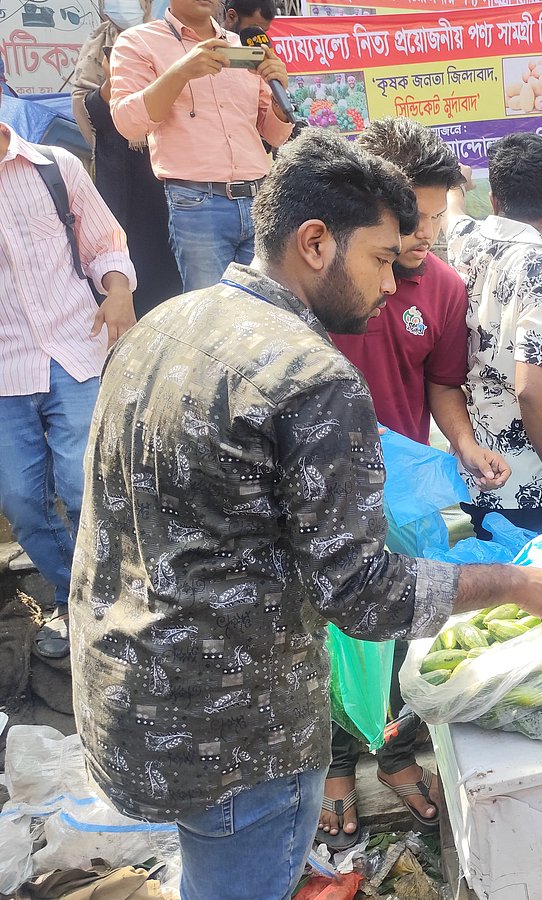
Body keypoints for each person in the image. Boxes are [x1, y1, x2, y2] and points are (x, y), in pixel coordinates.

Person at [69, 128, 542, 900]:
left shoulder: (163, 323)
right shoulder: (309, 375)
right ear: (315, 242)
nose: (392, 285)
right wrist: (519, 586)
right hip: (236, 737)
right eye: (382, 258)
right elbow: (363, 595)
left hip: (128, 700)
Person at [320, 117, 510, 846]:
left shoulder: (443, 288)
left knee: (404, 629)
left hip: (404, 494)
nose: (429, 231)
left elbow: (443, 386)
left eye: (437, 213)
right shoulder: (325, 282)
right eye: (417, 215)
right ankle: (337, 764)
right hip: (323, 491)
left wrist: (464, 447)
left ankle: (396, 751)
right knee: (333, 632)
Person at [0, 53, 137, 659]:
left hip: (73, 348)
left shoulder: (54, 168)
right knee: (23, 500)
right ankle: (68, 596)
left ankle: (103, 610)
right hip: (5, 369)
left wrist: (118, 291)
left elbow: (105, 238)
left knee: (85, 488)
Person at [445, 132, 542, 539]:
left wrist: (457, 184)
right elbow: (532, 388)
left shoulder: (469, 242)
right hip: (527, 482)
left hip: (476, 469)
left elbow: (452, 214)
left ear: (493, 201)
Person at [109, 0, 295, 291]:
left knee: (267, 310)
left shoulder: (241, 46)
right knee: (212, 316)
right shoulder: (138, 41)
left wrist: (280, 100)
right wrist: (179, 73)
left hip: (260, 199)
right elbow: (128, 122)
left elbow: (272, 134)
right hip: (198, 203)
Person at [78, 45, 183, 317]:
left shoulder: (171, 63)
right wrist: (116, 76)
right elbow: (93, 110)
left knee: (169, 281)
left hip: (169, 194)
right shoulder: (100, 53)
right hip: (122, 200)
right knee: (130, 268)